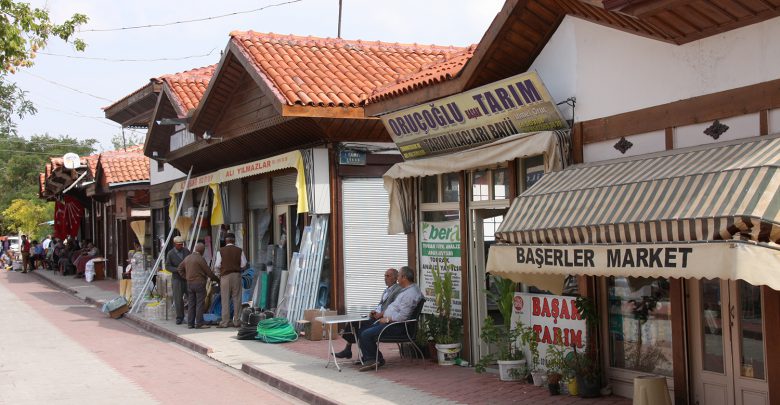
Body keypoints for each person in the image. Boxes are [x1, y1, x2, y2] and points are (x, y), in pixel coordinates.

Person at [358, 266, 423, 371]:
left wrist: (387, 319)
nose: (397, 278)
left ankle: (373, 359)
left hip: (397, 327)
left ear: (404, 277)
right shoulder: (407, 290)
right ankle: (371, 358)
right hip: (390, 323)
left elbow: (403, 316)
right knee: (362, 328)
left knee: (366, 334)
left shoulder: (410, 294)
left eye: (398, 276)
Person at [335, 268, 401, 359]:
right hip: (376, 316)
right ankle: (349, 348)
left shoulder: (398, 290)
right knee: (353, 322)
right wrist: (373, 311)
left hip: (382, 319)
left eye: (388, 276)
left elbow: (393, 307)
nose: (385, 278)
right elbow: (381, 305)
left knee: (360, 328)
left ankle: (367, 355)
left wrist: (380, 314)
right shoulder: (386, 290)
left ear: (395, 278)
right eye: (384, 276)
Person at [177, 242, 219, 329]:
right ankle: (199, 323)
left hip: (189, 284)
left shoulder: (187, 258)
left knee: (191, 303)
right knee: (200, 303)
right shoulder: (200, 259)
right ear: (202, 251)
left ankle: (190, 323)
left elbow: (179, 268)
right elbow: (208, 272)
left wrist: (186, 277)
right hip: (199, 284)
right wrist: (217, 279)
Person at [214, 232, 247, 328]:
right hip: (236, 276)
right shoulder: (239, 250)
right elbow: (244, 264)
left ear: (226, 241)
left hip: (225, 276)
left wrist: (218, 274)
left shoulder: (221, 251)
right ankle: (236, 321)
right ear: (234, 240)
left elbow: (217, 265)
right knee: (237, 298)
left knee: (225, 299)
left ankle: (225, 322)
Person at [165, 236, 191, 325]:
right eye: (179, 245)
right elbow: (167, 266)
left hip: (187, 278)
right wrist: (178, 270)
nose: (181, 246)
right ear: (175, 244)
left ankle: (192, 316)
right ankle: (179, 317)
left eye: (182, 244)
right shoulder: (170, 254)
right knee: (178, 299)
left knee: (191, 297)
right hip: (177, 279)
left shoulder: (186, 251)